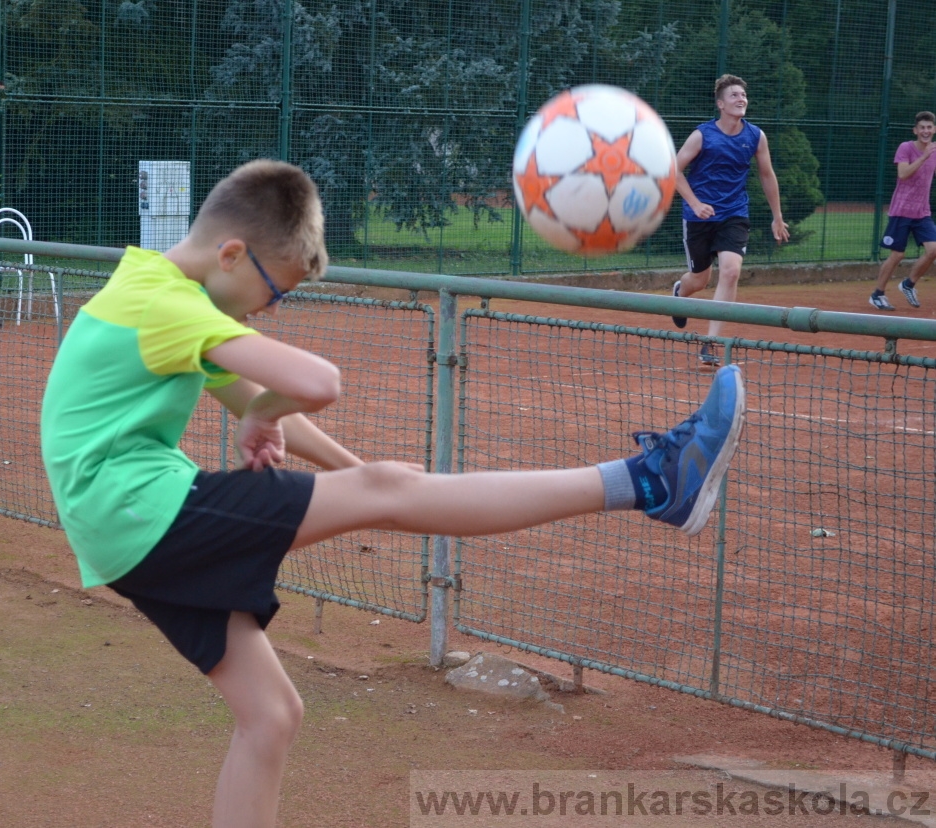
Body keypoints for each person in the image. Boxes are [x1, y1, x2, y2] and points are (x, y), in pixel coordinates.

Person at [40, 159, 746, 828]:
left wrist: (360, 475)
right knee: (386, 490)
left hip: (121, 526)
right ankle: (652, 481)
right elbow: (317, 384)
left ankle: (649, 482)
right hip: (141, 511)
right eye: (274, 290)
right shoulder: (170, 306)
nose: (272, 309)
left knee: (272, 715)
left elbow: (259, 398)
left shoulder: (153, 291)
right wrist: (301, 440)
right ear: (230, 256)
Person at [670, 74, 789, 366]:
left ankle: (711, 343)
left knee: (731, 271)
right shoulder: (702, 135)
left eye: (743, 95)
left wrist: (777, 216)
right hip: (699, 216)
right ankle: (679, 292)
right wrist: (696, 204)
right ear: (721, 104)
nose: (741, 99)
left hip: (734, 214)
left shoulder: (756, 136)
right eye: (734, 96)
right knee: (699, 279)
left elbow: (766, 175)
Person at [869, 111, 936, 311]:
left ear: (934, 129)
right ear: (915, 130)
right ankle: (877, 295)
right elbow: (903, 173)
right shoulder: (906, 147)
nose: (926, 131)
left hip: (922, 212)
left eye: (929, 127)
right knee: (897, 255)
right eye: (922, 127)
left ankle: (908, 284)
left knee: (934, 250)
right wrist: (924, 156)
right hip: (901, 211)